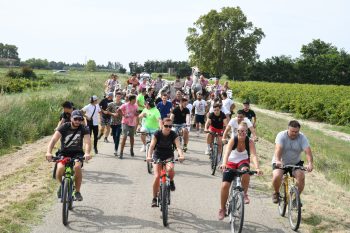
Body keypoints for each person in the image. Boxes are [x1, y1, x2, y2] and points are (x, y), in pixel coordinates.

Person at [218, 122, 262, 220]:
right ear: (237, 131)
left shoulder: (249, 141)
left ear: (247, 132)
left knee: (246, 172)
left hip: (243, 162)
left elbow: (254, 155)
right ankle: (222, 209)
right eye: (241, 131)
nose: (243, 133)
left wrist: (257, 168)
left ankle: (245, 194)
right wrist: (224, 163)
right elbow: (227, 153)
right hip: (231, 163)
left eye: (245, 131)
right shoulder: (233, 139)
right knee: (225, 185)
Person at [46, 110, 92, 201]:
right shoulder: (64, 127)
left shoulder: (84, 128)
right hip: (63, 153)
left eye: (80, 119)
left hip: (77, 153)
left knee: (77, 167)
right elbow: (54, 140)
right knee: (60, 168)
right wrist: (48, 152)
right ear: (71, 118)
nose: (78, 121)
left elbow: (87, 142)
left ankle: (77, 191)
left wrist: (87, 153)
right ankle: (62, 185)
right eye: (75, 119)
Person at [271, 120, 313, 204]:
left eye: (296, 132)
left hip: (295, 163)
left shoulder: (302, 137)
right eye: (292, 131)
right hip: (281, 161)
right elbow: (278, 149)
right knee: (277, 176)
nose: (294, 133)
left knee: (301, 176)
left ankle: (296, 198)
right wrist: (278, 160)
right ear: (288, 129)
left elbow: (308, 152)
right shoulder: (281, 135)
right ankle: (276, 193)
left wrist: (310, 163)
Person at [146, 118, 185, 207]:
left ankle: (171, 181)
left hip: (168, 155)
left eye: (170, 126)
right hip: (158, 155)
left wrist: (181, 155)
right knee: (156, 176)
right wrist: (148, 156)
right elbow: (151, 146)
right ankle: (154, 198)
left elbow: (178, 147)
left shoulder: (173, 134)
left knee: (170, 169)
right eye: (166, 126)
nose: (168, 128)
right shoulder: (157, 133)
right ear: (162, 125)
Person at [107, 92, 123, 156]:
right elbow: (107, 111)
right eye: (117, 96)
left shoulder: (122, 104)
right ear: (115, 97)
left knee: (117, 136)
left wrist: (120, 113)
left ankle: (115, 150)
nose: (118, 98)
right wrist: (113, 114)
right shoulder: (111, 104)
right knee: (114, 136)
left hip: (120, 122)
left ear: (121, 97)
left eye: (119, 96)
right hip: (113, 122)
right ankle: (116, 144)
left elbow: (124, 113)